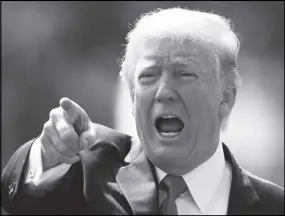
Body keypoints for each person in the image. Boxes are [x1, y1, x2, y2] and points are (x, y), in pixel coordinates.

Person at [1, 7, 284, 215]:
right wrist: (48, 154)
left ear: (227, 96)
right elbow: (19, 198)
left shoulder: (274, 206)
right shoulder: (89, 172)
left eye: (184, 74)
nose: (163, 92)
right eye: (148, 76)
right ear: (132, 98)